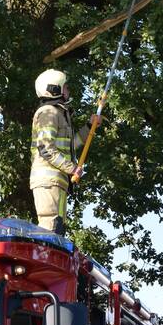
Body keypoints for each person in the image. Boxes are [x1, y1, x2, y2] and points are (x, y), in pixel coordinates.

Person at [30, 70, 101, 233]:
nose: (68, 90)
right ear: (55, 89)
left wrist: (90, 127)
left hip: (58, 181)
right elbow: (45, 149)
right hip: (48, 181)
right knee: (50, 227)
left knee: (58, 228)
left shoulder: (60, 114)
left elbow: (72, 144)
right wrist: (72, 168)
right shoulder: (48, 112)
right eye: (65, 87)